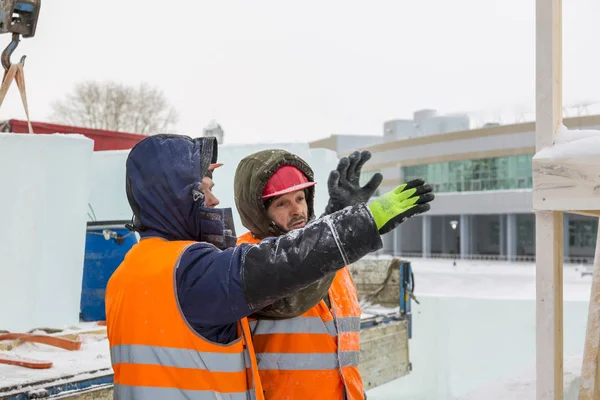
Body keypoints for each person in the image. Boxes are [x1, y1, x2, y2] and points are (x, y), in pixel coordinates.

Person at [105, 134, 434, 400]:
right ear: (178, 198)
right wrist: (353, 225)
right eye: (204, 191)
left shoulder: (129, 272)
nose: (215, 203)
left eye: (301, 198)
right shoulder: (194, 272)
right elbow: (285, 273)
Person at [234, 149, 424, 400]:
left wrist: (338, 221)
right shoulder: (247, 258)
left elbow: (343, 352)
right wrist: (348, 229)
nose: (296, 211)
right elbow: (293, 288)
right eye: (282, 203)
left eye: (300, 198)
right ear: (258, 211)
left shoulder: (334, 259)